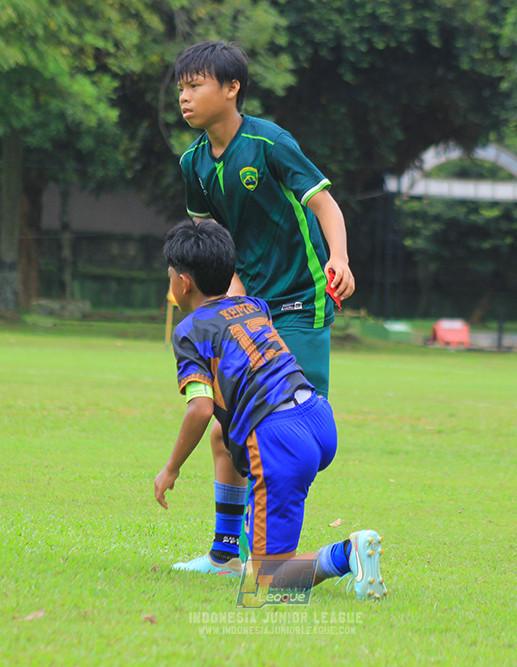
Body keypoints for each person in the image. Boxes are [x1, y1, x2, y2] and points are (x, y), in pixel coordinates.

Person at [172, 40, 355, 574]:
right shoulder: (193, 163)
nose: (184, 97)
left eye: (196, 85)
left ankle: (278, 560)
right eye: (181, 88)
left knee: (286, 428)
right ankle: (228, 554)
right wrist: (220, 299)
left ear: (232, 89)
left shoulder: (269, 142)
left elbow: (324, 203)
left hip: (301, 300)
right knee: (224, 430)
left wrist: (339, 258)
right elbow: (214, 246)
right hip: (251, 305)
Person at [155, 219, 386, 602]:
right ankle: (226, 553)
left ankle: (347, 554)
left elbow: (200, 409)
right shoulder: (254, 305)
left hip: (279, 440)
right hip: (316, 417)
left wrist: (171, 468)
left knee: (265, 583)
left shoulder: (189, 332)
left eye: (170, 279)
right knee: (224, 437)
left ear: (183, 283)